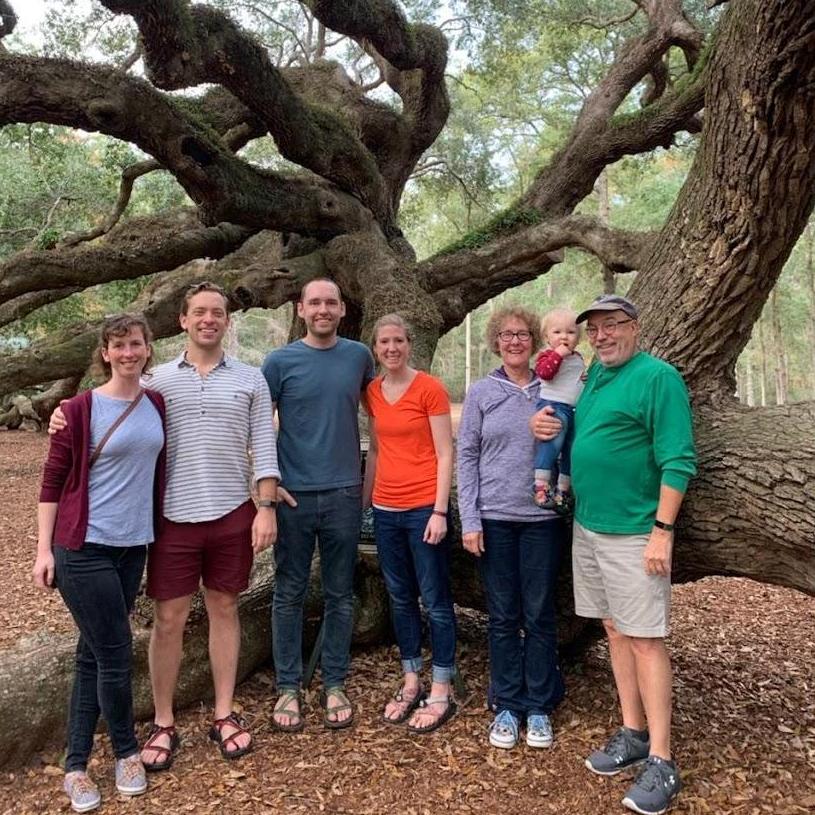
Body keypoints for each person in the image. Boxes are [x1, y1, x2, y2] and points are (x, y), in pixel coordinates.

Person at [51, 282, 280, 770]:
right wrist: (62, 416)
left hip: (231, 513)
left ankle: (223, 713)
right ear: (182, 320)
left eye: (217, 312)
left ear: (227, 321)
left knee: (224, 608)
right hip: (171, 517)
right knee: (169, 619)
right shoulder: (156, 381)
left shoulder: (251, 379)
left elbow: (264, 443)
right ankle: (163, 721)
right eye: (199, 312)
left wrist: (266, 506)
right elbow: (107, 403)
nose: (208, 319)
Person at [533, 293, 696, 815]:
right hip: (590, 526)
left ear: (635, 326)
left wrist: (662, 530)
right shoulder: (598, 377)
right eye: (594, 329)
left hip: (634, 531)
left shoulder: (658, 378)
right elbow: (573, 422)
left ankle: (663, 760)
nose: (601, 336)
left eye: (611, 326)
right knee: (613, 628)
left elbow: (678, 461)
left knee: (646, 639)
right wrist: (545, 427)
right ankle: (633, 733)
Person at [35, 314, 166, 813]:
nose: (129, 352)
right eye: (119, 346)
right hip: (83, 547)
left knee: (92, 655)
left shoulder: (155, 402)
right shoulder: (79, 408)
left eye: (136, 343)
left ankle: (75, 765)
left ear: (147, 349)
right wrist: (44, 550)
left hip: (133, 547)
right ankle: (127, 754)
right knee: (114, 653)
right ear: (105, 353)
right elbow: (52, 483)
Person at [261, 279, 375, 731]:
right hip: (293, 497)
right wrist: (266, 489)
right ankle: (288, 686)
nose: (323, 309)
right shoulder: (280, 361)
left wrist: (370, 482)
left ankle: (335, 682)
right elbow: (257, 427)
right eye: (315, 303)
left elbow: (382, 413)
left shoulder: (358, 357)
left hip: (345, 494)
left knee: (339, 594)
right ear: (301, 309)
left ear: (342, 308)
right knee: (288, 592)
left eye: (331, 302)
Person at [457, 305, 566, 751]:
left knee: (539, 614)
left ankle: (538, 705)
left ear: (535, 340)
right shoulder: (482, 392)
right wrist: (470, 519)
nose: (515, 341)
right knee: (502, 616)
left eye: (523, 334)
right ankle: (507, 703)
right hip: (496, 518)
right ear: (495, 342)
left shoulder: (555, 388)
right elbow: (465, 456)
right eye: (507, 335)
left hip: (543, 519)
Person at [362, 313, 457, 733]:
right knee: (399, 597)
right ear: (376, 349)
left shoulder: (429, 389)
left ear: (408, 343)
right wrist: (366, 503)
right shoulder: (373, 392)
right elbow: (378, 451)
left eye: (398, 341)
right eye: (384, 343)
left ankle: (441, 685)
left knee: (435, 600)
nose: (391, 349)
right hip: (385, 509)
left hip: (423, 508)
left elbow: (445, 453)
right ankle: (411, 677)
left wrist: (439, 511)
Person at [532, 307, 585, 512]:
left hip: (574, 411)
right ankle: (540, 487)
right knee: (552, 444)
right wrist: (558, 354)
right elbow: (545, 373)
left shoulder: (578, 358)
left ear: (578, 338)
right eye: (557, 332)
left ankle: (562, 491)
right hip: (553, 407)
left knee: (571, 449)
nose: (564, 336)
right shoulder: (547, 356)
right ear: (547, 337)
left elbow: (574, 380)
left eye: (571, 332)